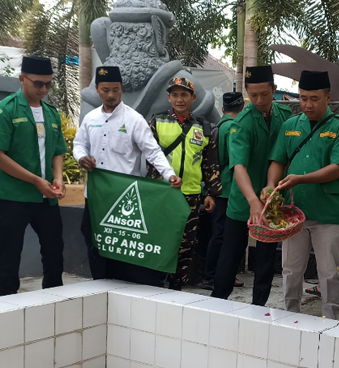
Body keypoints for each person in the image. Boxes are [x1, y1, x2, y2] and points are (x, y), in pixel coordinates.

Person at [74, 66, 182, 286]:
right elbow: (79, 144)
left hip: (123, 197)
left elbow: (152, 150)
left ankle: (123, 288)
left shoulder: (133, 120)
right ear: (97, 90)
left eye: (116, 89)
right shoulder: (90, 118)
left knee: (123, 244)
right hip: (95, 196)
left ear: (121, 89)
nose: (111, 95)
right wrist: (81, 157)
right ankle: (99, 284)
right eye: (105, 90)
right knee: (94, 239)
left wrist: (168, 174)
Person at [266, 70, 339, 319]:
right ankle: (290, 317)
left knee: (329, 272)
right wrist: (271, 185)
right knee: (291, 270)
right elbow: (277, 160)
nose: (307, 104)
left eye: (314, 98)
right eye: (303, 98)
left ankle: (331, 320)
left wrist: (301, 179)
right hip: (293, 213)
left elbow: (338, 168)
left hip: (327, 213)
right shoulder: (290, 125)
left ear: (328, 97)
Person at [0, 56, 68, 296]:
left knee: (54, 252)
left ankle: (54, 298)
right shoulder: (3, 111)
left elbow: (58, 151)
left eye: (48, 84)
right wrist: (35, 181)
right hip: (13, 197)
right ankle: (6, 302)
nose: (43, 90)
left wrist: (59, 179)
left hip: (47, 198)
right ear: (22, 79)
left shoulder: (51, 113)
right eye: (38, 84)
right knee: (9, 253)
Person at [211, 66, 292, 304]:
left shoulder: (285, 116)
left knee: (266, 257)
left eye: (264, 95)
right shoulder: (241, 124)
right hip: (242, 201)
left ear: (274, 90)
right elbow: (238, 167)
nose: (258, 100)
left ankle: (259, 307)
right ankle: (217, 301)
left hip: (272, 200)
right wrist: (253, 201)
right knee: (231, 253)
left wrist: (268, 194)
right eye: (252, 95)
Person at [147, 77, 220, 290]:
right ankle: (156, 284)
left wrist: (211, 193)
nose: (180, 99)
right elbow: (150, 159)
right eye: (175, 94)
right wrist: (152, 189)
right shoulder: (157, 122)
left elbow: (210, 163)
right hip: (163, 194)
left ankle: (177, 286)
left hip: (191, 195)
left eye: (184, 94)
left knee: (186, 245)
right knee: (161, 240)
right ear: (169, 97)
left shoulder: (204, 127)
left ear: (193, 98)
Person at [203, 92, 246, 290]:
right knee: (226, 236)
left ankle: (210, 274)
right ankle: (215, 275)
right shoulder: (235, 128)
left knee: (217, 234)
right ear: (243, 107)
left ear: (223, 109)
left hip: (216, 188)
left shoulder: (217, 127)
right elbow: (235, 161)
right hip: (230, 189)